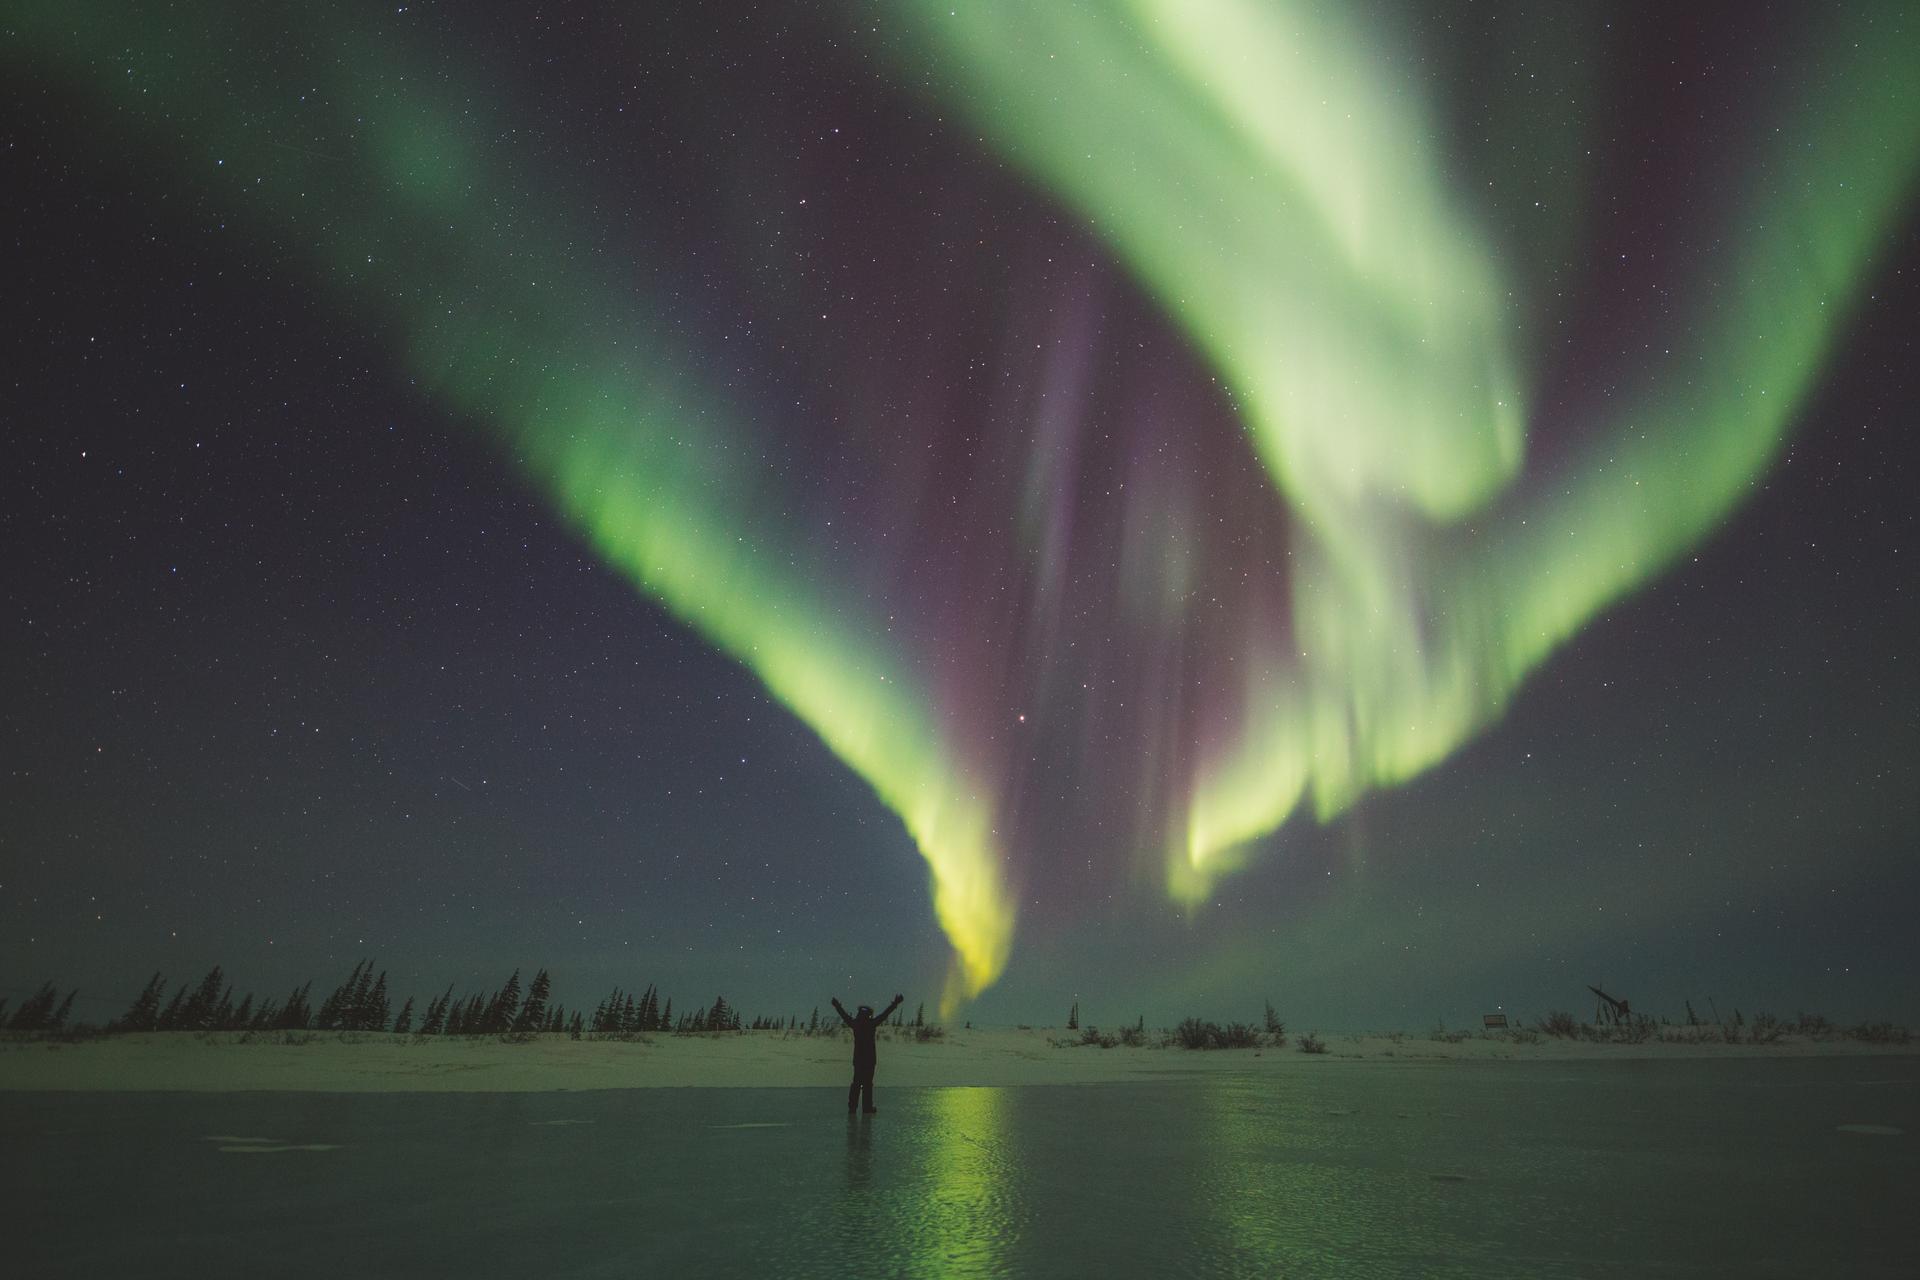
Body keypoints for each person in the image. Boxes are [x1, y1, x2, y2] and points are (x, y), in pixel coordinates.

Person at [831, 992, 903, 1114]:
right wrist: (895, 1003)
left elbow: (843, 1015)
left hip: (858, 1059)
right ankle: (867, 1107)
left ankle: (852, 1107)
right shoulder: (871, 1023)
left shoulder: (855, 1024)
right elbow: (884, 1015)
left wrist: (837, 1005)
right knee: (867, 1084)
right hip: (869, 1060)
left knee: (856, 1083)